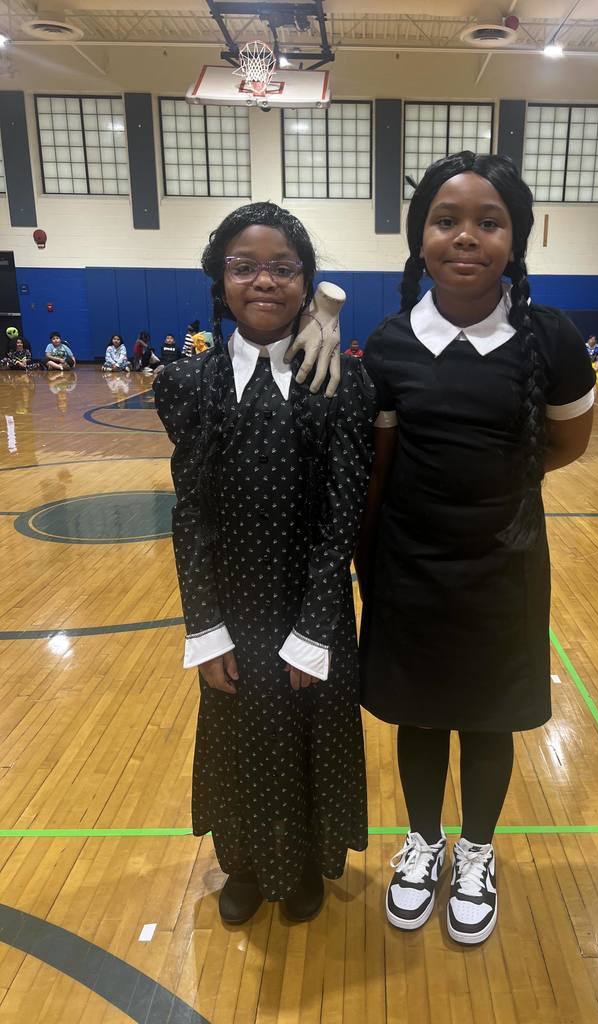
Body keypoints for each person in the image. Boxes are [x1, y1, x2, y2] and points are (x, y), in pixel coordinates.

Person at [356, 152, 595, 945]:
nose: (466, 236)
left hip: (505, 564)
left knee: (489, 720)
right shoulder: (390, 343)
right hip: (411, 565)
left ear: (515, 239)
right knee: (421, 718)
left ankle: (477, 852)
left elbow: (567, 444)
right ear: (419, 237)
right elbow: (379, 466)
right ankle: (424, 842)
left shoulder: (550, 337)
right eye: (446, 220)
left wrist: (496, 491)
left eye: (488, 222)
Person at [153, 202, 375, 927]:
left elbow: (342, 516)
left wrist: (315, 630)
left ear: (306, 281)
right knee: (239, 738)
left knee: (308, 735)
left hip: (311, 604)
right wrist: (204, 628)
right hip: (233, 608)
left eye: (283, 267)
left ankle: (305, 864)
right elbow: (191, 513)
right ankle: (244, 865)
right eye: (244, 267)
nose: (264, 281)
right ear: (220, 280)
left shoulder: (340, 382)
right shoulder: (187, 384)